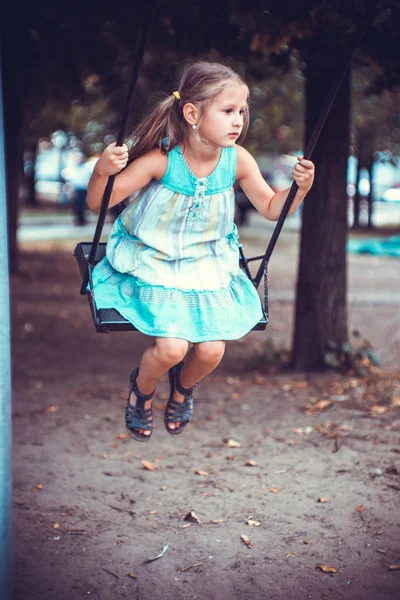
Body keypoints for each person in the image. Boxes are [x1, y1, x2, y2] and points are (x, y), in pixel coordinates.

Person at [87, 61, 314, 442]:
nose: (238, 120)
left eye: (242, 110)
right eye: (227, 110)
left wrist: (300, 190)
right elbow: (99, 202)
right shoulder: (162, 160)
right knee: (172, 348)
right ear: (192, 113)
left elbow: (273, 208)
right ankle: (142, 390)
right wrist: (101, 171)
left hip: (205, 263)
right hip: (152, 260)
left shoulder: (237, 160)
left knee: (211, 351)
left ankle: (182, 389)